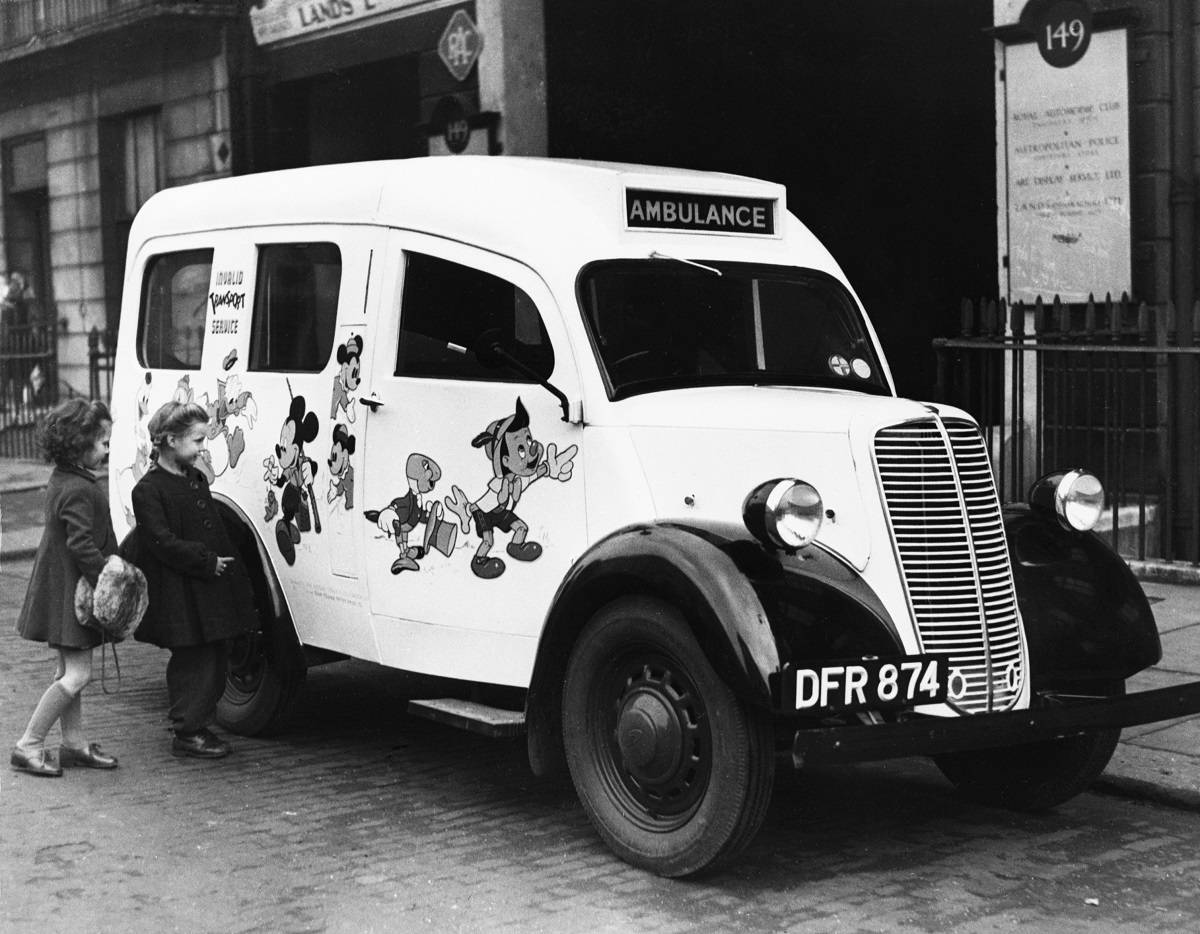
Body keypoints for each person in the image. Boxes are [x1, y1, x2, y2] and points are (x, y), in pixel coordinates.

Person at [131, 400, 256, 759]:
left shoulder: (194, 479)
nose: (204, 447)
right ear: (171, 440)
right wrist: (206, 561)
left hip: (206, 587)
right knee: (193, 659)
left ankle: (197, 723)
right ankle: (187, 731)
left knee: (214, 655)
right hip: (179, 592)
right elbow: (162, 542)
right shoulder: (149, 490)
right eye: (198, 440)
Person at [11, 398, 120, 777]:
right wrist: (109, 576)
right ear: (80, 444)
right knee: (77, 675)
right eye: (103, 442)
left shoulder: (65, 477)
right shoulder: (79, 488)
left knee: (69, 672)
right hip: (74, 594)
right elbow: (81, 545)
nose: (108, 449)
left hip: (60, 590)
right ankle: (29, 744)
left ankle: (73, 744)